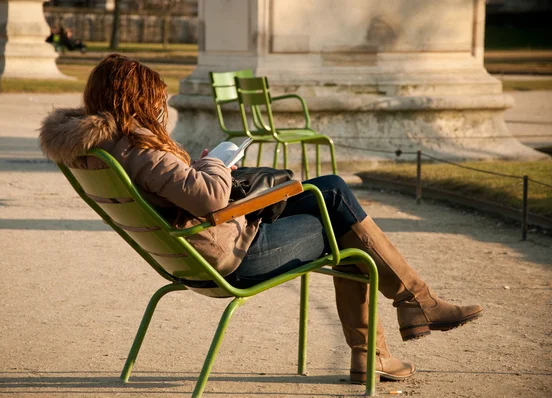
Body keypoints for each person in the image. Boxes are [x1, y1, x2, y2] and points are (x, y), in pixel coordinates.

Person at [38, 54, 483, 384]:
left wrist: (200, 169)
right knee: (341, 224)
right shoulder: (140, 148)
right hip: (229, 257)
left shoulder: (104, 149)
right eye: (157, 100)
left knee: (329, 190)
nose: (162, 108)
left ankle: (409, 313)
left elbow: (187, 195)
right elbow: (212, 198)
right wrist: (218, 164)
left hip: (194, 254)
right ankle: (402, 321)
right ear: (134, 100)